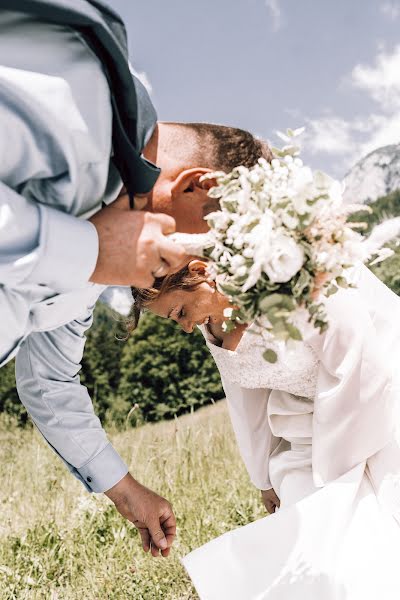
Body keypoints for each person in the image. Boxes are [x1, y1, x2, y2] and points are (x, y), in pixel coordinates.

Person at [0, 5, 273, 557]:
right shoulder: (77, 93)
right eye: (205, 246)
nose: (189, 268)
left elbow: (49, 382)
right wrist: (87, 249)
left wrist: (125, 491)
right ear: (196, 186)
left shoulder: (99, 274)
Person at [131, 258, 400, 598]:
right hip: (311, 412)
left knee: (360, 499)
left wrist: (335, 470)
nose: (185, 327)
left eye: (180, 312)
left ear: (201, 272)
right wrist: (262, 477)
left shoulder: (288, 276)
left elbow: (357, 362)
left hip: (376, 380)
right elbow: (244, 396)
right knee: (310, 529)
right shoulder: (212, 323)